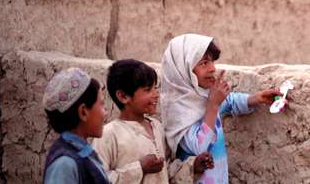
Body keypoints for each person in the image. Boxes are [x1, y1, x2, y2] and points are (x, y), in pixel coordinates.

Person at [160, 34, 283, 184]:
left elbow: (229, 102)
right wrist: (213, 105)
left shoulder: (203, 96)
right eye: (204, 63)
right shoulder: (178, 110)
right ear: (183, 69)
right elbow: (200, 147)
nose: (212, 68)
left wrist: (257, 98)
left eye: (212, 62)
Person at [92, 59, 214, 183]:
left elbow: (167, 172)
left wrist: (193, 167)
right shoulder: (108, 135)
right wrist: (140, 168)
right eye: (148, 90)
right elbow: (97, 179)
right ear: (123, 96)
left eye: (155, 88)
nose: (156, 94)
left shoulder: (156, 127)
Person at [42, 68, 110, 184]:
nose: (106, 113)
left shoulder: (82, 152)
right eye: (102, 104)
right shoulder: (64, 165)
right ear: (83, 112)